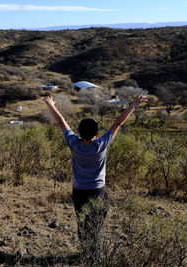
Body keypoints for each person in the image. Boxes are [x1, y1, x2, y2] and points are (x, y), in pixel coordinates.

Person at [43, 93, 147, 260]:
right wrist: (134, 105)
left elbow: (61, 122)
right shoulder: (101, 144)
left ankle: (86, 254)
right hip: (98, 192)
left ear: (79, 132)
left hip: (79, 191)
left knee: (83, 223)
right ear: (96, 133)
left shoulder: (73, 143)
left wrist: (51, 105)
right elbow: (118, 123)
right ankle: (96, 256)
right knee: (96, 224)